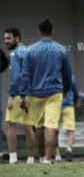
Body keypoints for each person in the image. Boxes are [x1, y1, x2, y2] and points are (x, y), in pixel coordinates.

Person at [20, 19, 72, 163]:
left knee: (39, 127)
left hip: (34, 94)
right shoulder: (61, 49)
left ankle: (42, 156)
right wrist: (66, 89)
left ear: (39, 32)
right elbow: (67, 73)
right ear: (52, 32)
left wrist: (23, 95)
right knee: (51, 125)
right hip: (54, 93)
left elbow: (25, 75)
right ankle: (48, 159)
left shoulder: (30, 51)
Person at [3, 28, 35, 164]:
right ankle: (31, 159)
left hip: (18, 95)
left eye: (8, 38)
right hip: (30, 95)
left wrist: (11, 96)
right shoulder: (28, 52)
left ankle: (13, 159)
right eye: (5, 38)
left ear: (17, 38)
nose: (6, 41)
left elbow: (16, 77)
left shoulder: (14, 54)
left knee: (9, 125)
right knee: (28, 126)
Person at [55, 75, 80, 162]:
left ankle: (57, 155)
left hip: (55, 106)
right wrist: (75, 101)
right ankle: (69, 149)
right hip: (69, 106)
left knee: (54, 131)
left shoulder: (54, 76)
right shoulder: (71, 77)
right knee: (71, 131)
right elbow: (76, 92)